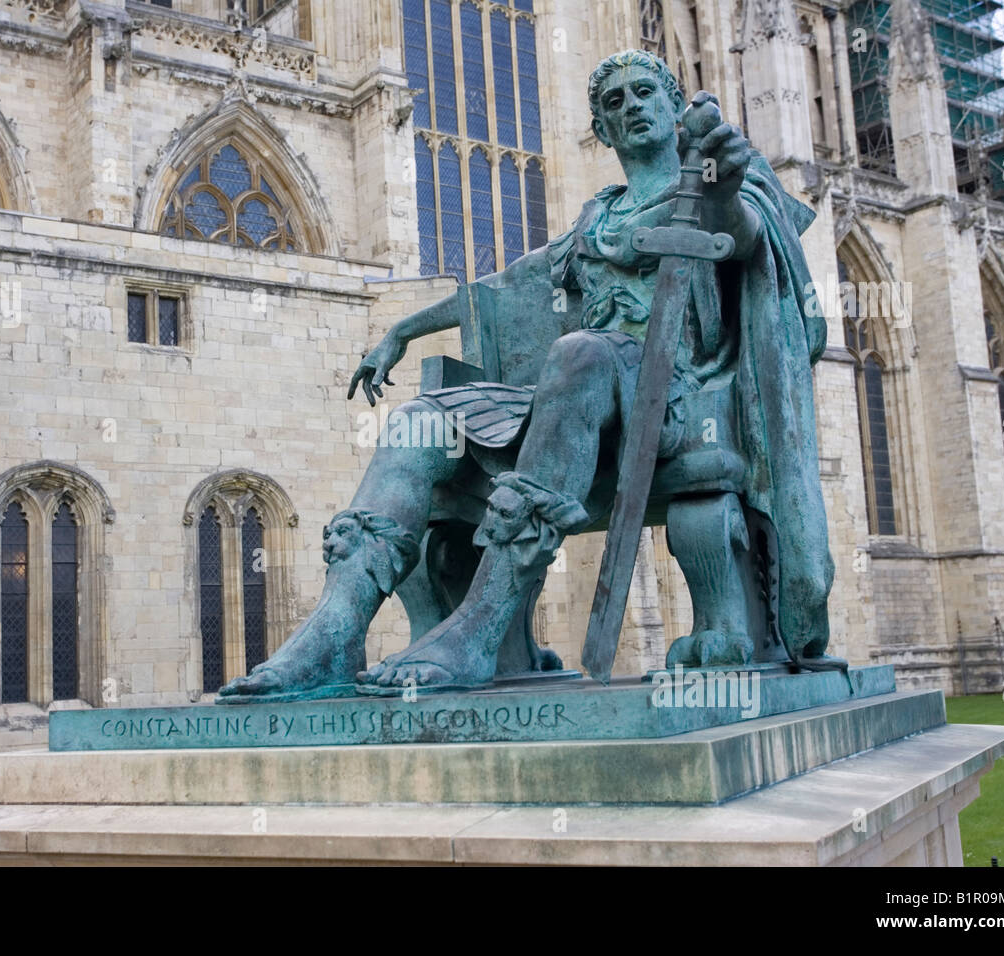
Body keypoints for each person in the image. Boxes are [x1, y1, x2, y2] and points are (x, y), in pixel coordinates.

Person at [218, 49, 835, 703]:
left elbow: (744, 239)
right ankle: (334, 633)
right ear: (600, 127)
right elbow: (497, 291)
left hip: (676, 402)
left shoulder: (706, 189)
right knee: (421, 422)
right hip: (577, 403)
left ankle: (479, 629)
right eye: (614, 100)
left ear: (673, 104)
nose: (630, 105)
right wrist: (403, 329)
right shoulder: (596, 218)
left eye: (644, 91)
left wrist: (727, 191)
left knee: (579, 354)